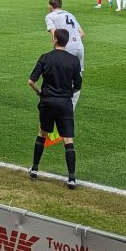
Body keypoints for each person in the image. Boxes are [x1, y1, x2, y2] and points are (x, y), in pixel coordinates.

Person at [27, 28, 82, 189]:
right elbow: (78, 85)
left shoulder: (45, 57)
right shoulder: (73, 61)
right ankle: (71, 178)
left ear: (56, 40)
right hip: (65, 102)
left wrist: (40, 93)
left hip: (48, 101)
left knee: (42, 134)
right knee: (68, 140)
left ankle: (35, 169)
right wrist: (67, 94)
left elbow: (31, 81)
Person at [45, 0, 84, 108]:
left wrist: (59, 47)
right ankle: (72, 106)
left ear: (51, 6)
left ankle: (62, 107)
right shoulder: (70, 14)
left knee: (62, 76)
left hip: (66, 47)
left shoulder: (50, 16)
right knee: (78, 75)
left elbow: (55, 35)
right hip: (79, 47)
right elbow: (82, 33)